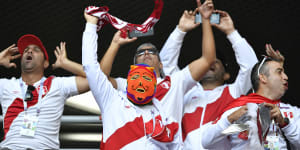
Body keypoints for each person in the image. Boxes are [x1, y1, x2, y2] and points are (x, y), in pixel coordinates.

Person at [82, 0, 216, 149]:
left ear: (161, 64)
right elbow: (98, 75)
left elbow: (207, 60)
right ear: (131, 68)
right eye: (140, 52)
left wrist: (204, 20)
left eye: (152, 51)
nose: (146, 52)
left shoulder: (174, 89)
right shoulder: (121, 92)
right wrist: (113, 44)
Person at [158, 7, 258, 149]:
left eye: (215, 62)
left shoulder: (233, 92)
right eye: (207, 62)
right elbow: (165, 68)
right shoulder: (184, 92)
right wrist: (180, 30)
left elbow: (251, 67)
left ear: (226, 75)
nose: (210, 63)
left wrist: (231, 32)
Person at [201, 45, 300, 149]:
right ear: (262, 77)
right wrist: (230, 119)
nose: (286, 77)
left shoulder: (292, 111)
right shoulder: (239, 108)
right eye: (279, 72)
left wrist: (284, 124)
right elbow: (206, 142)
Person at [0, 36, 89, 149]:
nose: (29, 51)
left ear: (45, 63)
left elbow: (97, 80)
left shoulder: (58, 84)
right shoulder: (5, 85)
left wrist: (66, 63)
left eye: (36, 50)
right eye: (26, 50)